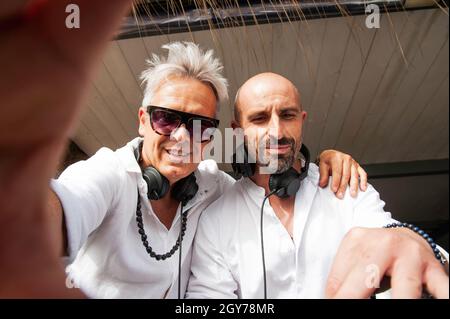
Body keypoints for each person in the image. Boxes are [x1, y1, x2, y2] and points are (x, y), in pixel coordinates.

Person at [186, 72, 449, 299]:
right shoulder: (215, 221)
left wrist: (412, 241)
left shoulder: (347, 186)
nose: (277, 132)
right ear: (237, 131)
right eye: (260, 119)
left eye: (287, 115)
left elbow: (389, 235)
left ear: (302, 120)